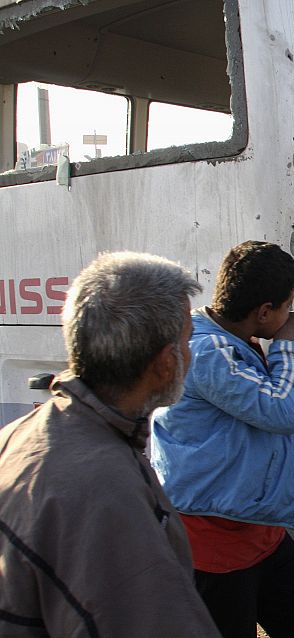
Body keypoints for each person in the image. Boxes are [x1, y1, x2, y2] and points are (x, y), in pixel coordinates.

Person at [0, 252, 221, 637]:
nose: (192, 353)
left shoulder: (23, 433)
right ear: (166, 363)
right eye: (188, 341)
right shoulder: (104, 495)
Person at [151, 241, 294, 638]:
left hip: (254, 526)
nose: (293, 313)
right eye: (288, 306)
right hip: (214, 539)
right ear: (264, 312)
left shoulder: (231, 340)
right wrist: (288, 343)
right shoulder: (206, 352)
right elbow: (283, 410)